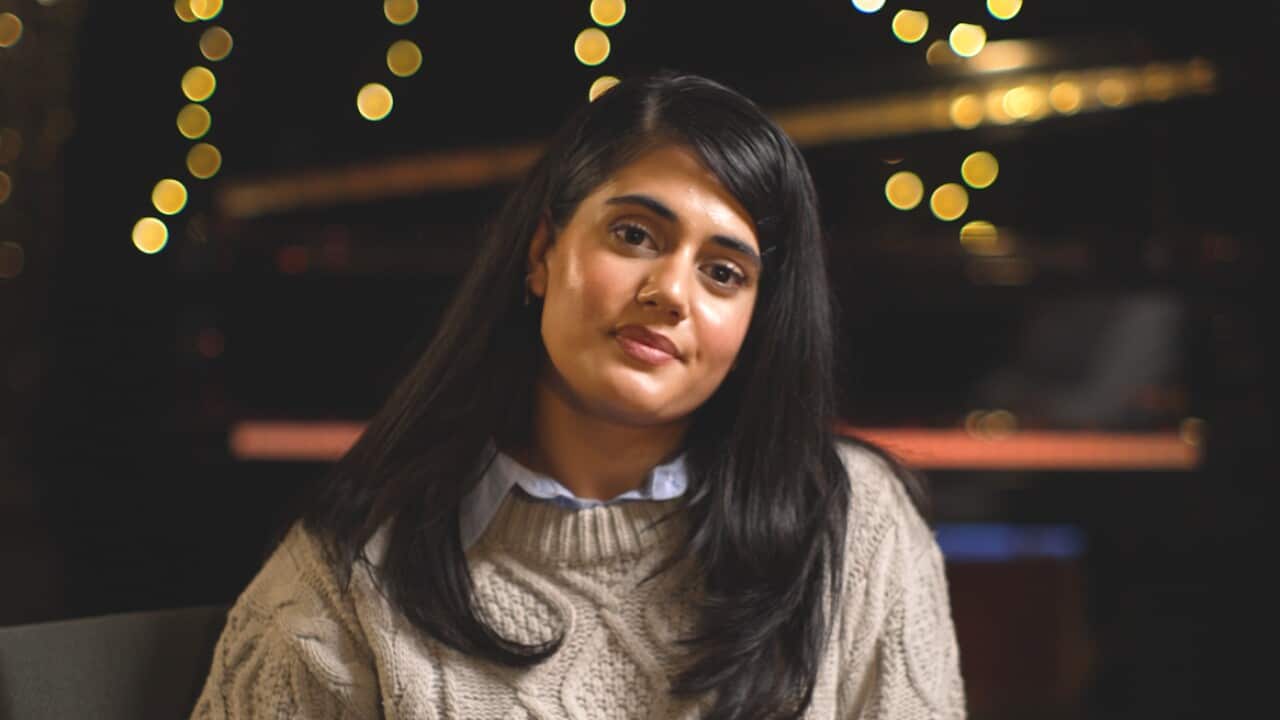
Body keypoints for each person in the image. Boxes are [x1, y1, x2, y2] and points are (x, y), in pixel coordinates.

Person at [191, 71, 965, 719]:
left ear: (757, 325)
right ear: (541, 253)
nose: (670, 292)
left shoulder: (856, 524)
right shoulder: (350, 566)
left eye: (723, 272)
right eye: (634, 234)